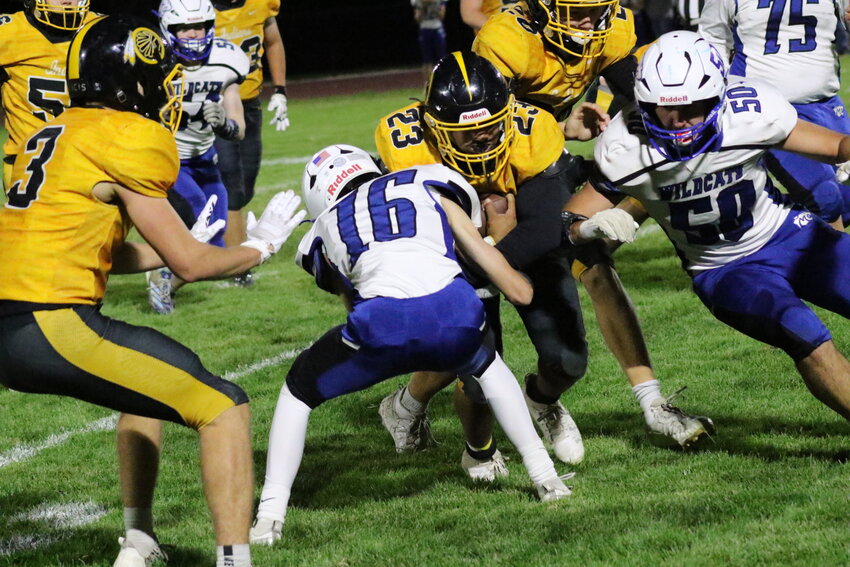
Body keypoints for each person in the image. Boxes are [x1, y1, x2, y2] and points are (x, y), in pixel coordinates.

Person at [0, 16, 305, 567]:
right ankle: (235, 561)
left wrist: (166, 254)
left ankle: (138, 542)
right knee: (223, 406)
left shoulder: (48, 132)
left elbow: (96, 250)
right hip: (50, 324)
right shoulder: (130, 137)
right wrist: (258, 247)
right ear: (134, 81)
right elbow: (189, 265)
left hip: (14, 317)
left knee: (144, 390)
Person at [374, 52, 712, 479]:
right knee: (478, 371)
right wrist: (476, 265)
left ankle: (542, 400)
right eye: (468, 134)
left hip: (519, 241)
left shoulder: (532, 129)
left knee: (568, 360)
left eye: (491, 127)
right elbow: (421, 231)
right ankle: (478, 448)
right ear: (437, 130)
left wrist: (489, 263)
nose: (483, 140)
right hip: (455, 244)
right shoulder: (406, 142)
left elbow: (546, 224)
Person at [249, 144, 573, 546]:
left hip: (382, 325)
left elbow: (351, 297)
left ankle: (269, 516)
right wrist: (519, 286)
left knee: (298, 391)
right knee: (487, 364)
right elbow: (495, 271)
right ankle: (547, 479)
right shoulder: (429, 183)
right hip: (453, 311)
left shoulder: (324, 225)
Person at [565, 31, 850, 432]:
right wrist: (589, 226)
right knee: (801, 331)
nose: (679, 120)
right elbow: (568, 223)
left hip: (789, 235)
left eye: (692, 107)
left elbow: (837, 146)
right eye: (665, 109)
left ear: (718, 95)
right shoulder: (624, 149)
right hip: (725, 269)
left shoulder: (750, 111)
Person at [700, 0, 850, 230]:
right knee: (824, 195)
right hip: (767, 108)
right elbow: (712, 39)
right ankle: (837, 264)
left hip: (825, 103)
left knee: (846, 199)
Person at [146, 0, 250, 314]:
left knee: (215, 227)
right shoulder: (153, 61)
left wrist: (223, 123)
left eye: (199, 26)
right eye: (184, 27)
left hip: (206, 158)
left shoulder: (227, 59)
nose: (193, 34)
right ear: (168, 28)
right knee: (204, 224)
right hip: (168, 159)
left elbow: (239, 129)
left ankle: (163, 280)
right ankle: (162, 281)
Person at [212, 0, 289, 287]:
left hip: (250, 104)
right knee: (231, 184)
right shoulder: (200, 10)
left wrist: (279, 89)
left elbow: (273, 41)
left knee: (245, 185)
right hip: (214, 107)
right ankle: (236, 266)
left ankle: (223, 243)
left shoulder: (260, 5)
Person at [0, 0, 97, 190]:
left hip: (90, 164)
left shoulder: (101, 30)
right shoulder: (9, 31)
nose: (67, 0)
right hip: (29, 168)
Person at [411, 0, 447, 81]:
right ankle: (427, 84)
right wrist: (423, 7)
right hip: (425, 29)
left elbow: (442, 15)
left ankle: (442, 82)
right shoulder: (418, 2)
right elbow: (417, 18)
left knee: (441, 59)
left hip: (437, 29)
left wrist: (434, 7)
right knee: (427, 60)